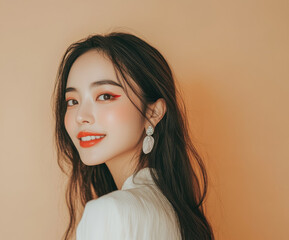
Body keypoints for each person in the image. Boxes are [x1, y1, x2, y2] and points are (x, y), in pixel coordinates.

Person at [52, 32, 214, 240]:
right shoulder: (174, 210)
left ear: (152, 113)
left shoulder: (109, 212)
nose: (81, 116)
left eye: (105, 96)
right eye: (72, 101)